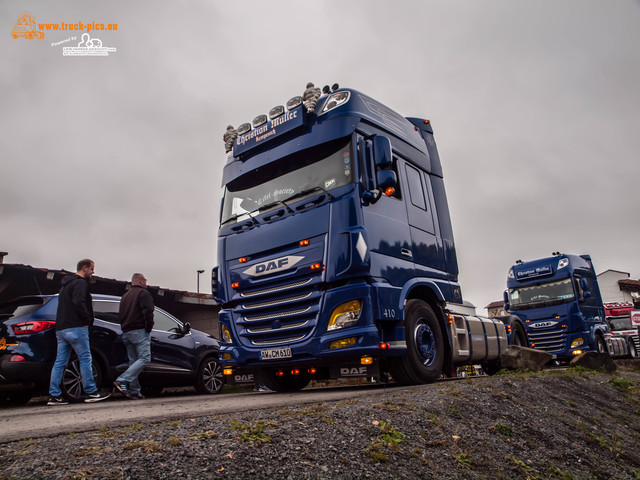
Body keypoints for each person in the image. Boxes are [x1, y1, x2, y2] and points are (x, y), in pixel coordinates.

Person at [47, 259, 111, 405]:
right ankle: (90, 391)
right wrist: (86, 320)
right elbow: (79, 302)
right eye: (92, 269)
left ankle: (54, 395)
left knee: (60, 362)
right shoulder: (80, 283)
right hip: (76, 327)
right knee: (85, 358)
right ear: (84, 267)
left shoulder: (64, 286)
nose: (93, 272)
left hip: (61, 328)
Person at [113, 273, 154, 399]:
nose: (146, 283)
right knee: (145, 358)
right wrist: (148, 327)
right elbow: (148, 311)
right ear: (141, 281)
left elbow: (120, 315)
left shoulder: (125, 296)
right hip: (139, 330)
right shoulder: (144, 294)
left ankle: (134, 390)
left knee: (133, 362)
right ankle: (122, 380)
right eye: (145, 280)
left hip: (126, 332)